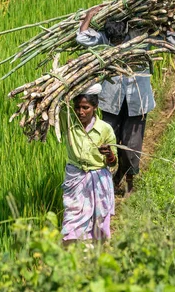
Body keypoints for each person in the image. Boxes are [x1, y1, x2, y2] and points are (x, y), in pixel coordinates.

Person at [76, 8, 175, 195]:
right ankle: (109, 181)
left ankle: (129, 181)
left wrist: (169, 22)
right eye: (113, 41)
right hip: (111, 101)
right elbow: (82, 38)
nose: (116, 44)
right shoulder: (105, 38)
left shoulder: (140, 37)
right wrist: (90, 16)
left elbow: (172, 42)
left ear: (126, 31)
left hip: (137, 101)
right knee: (108, 143)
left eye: (119, 40)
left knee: (131, 146)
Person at [60, 84, 118, 246]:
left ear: (95, 107)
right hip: (75, 178)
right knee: (72, 218)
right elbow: (57, 104)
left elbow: (114, 163)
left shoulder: (105, 129)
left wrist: (109, 155)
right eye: (77, 107)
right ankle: (72, 254)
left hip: (98, 180)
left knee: (98, 222)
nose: (81, 112)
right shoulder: (69, 122)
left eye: (86, 107)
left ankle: (92, 256)